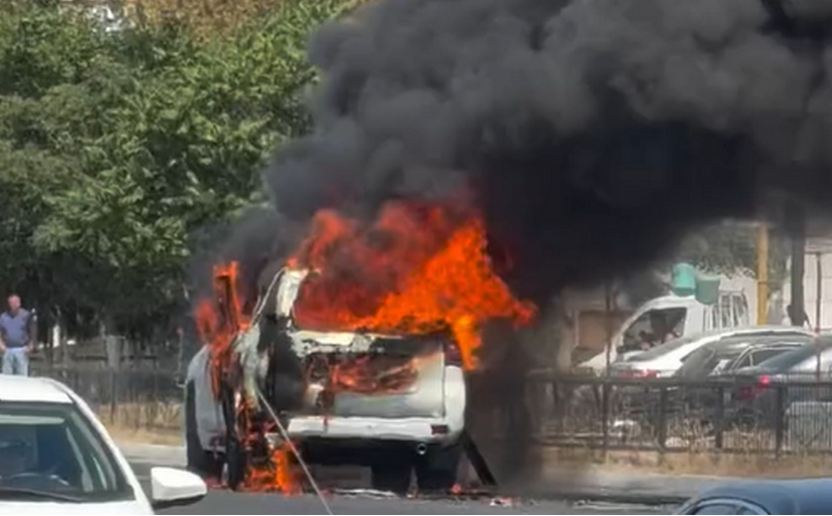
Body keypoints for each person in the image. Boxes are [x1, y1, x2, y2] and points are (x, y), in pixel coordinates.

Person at [0, 295, 34, 376]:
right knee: (7, 377)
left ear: (19, 303)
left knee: (22, 377)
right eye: (11, 303)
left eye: (15, 302)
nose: (13, 305)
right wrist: (1, 344)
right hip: (7, 350)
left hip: (22, 349)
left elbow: (31, 331)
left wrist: (31, 345)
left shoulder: (26, 315)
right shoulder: (3, 317)